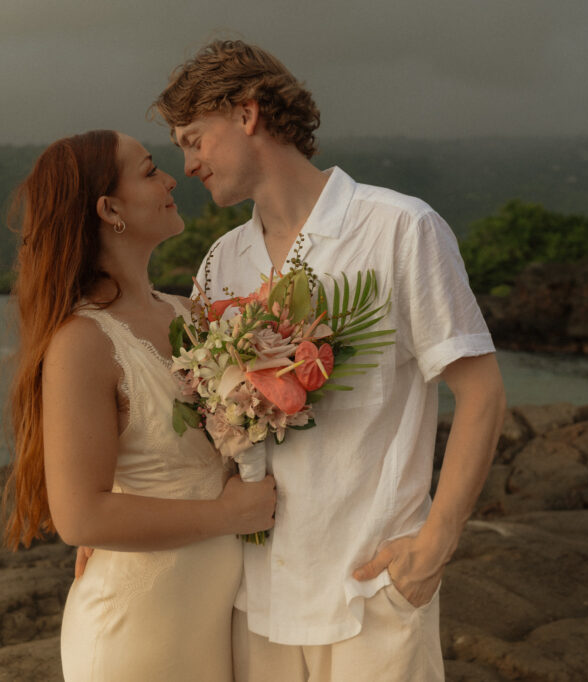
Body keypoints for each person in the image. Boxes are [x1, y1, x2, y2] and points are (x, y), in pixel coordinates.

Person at [154, 40, 508, 681]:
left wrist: (436, 542)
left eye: (193, 139)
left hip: (370, 593)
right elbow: (200, 426)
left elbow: (480, 390)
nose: (187, 164)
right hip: (252, 600)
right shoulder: (221, 262)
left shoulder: (400, 227)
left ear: (246, 113)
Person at [3, 129, 277, 681]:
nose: (173, 177)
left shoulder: (188, 315)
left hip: (210, 620)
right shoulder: (83, 341)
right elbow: (81, 515)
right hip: (137, 632)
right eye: (150, 169)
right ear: (110, 209)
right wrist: (230, 514)